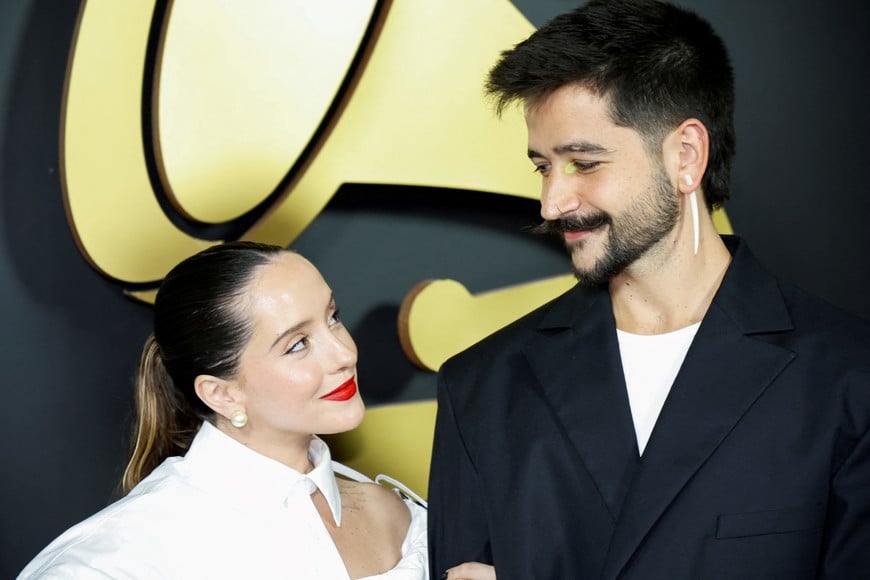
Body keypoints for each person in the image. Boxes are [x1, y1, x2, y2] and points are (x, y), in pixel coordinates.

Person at [427, 1, 870, 579]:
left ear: (685, 156)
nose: (551, 203)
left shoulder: (849, 379)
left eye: (583, 162)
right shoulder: (481, 388)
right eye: (543, 167)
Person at [19, 242, 432, 579]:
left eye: (333, 317)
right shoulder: (118, 559)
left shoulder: (394, 512)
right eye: (297, 344)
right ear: (221, 395)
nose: (344, 353)